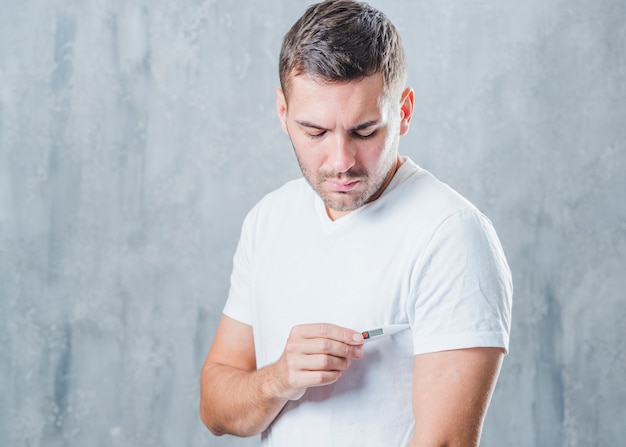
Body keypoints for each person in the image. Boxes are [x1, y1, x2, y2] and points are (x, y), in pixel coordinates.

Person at [199, 1, 512, 445]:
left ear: (403, 111)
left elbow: (444, 442)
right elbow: (214, 408)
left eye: (364, 131)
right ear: (283, 112)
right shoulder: (268, 219)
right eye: (315, 132)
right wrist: (278, 379)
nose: (341, 161)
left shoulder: (451, 235)